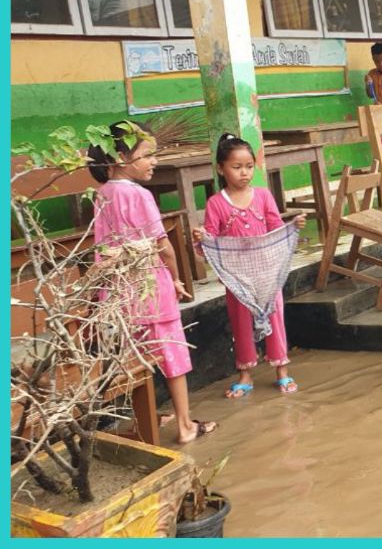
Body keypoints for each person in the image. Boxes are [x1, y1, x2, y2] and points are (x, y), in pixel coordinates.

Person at [88, 122, 216, 443]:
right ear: (119, 158)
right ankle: (186, 425)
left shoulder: (101, 194)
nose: (154, 161)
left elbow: (102, 247)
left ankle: (145, 421)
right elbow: (163, 245)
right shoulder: (141, 195)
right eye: (147, 155)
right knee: (172, 355)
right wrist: (174, 277)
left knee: (133, 360)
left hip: (118, 291)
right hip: (150, 287)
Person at [193, 134, 306, 398]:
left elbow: (276, 231)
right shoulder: (216, 204)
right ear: (221, 168)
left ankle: (282, 371)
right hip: (236, 277)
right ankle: (245, 373)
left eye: (249, 166)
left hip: (267, 272)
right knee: (241, 322)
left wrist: (294, 228)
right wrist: (201, 239)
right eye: (236, 167)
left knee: (275, 317)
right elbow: (211, 241)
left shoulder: (264, 196)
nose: (244, 173)